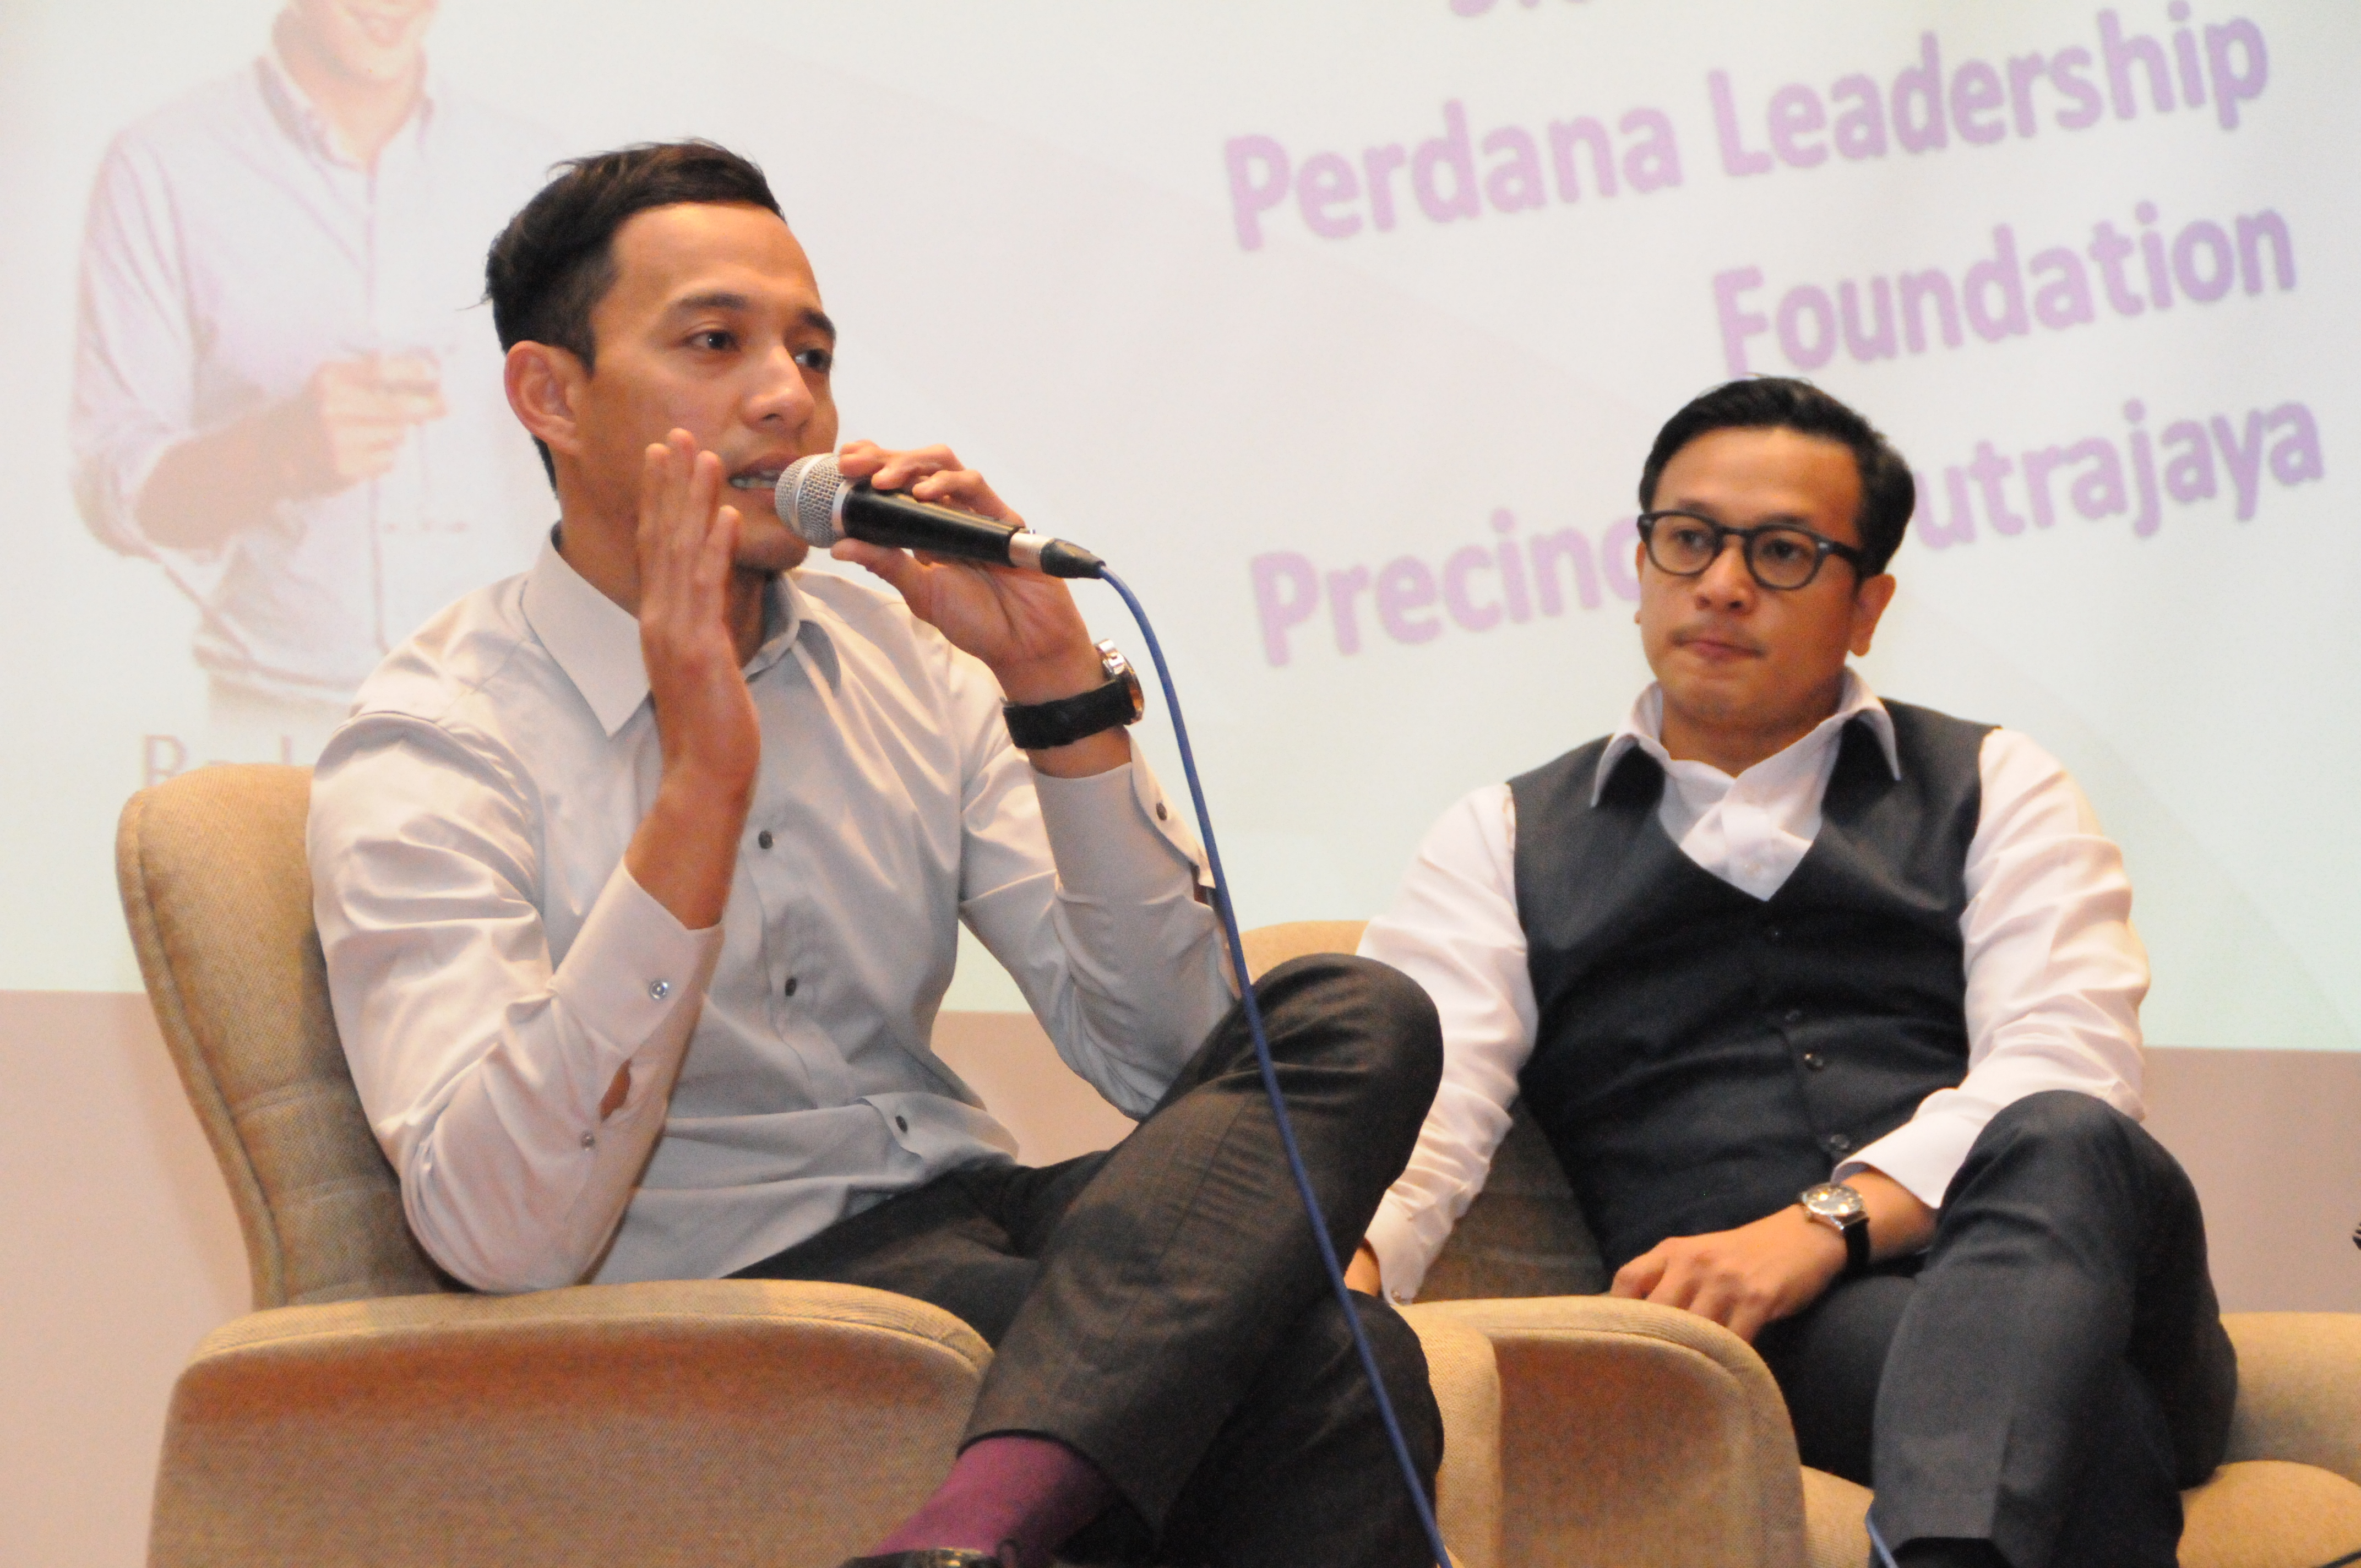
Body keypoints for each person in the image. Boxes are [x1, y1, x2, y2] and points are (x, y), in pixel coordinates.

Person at [307, 140, 1445, 1568]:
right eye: (714, 343)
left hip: (971, 1209)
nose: (789, 397)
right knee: (1337, 1363)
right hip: (724, 1271)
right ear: (550, 394)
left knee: (1351, 1013)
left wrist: (1056, 693)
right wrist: (697, 792)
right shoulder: (437, 734)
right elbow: (497, 1232)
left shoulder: (899, 651)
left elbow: (1169, 1062)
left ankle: (965, 1537)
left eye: (812, 352)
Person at [1352, 378, 2237, 1568]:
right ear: (1640, 564)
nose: (1722, 583)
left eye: (1781, 553)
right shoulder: (1500, 838)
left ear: (1867, 606)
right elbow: (1420, 1111)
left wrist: (1819, 1225)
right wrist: (1343, 1277)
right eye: (1688, 539)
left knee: (2066, 1128)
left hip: (2090, 1282)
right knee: (2093, 1429)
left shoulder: (1998, 782)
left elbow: (2066, 1055)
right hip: (1794, 1345)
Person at [72, 0, 559, 763]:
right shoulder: (162, 164)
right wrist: (278, 455)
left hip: (512, 712)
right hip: (275, 728)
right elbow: (115, 489)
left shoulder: (532, 169)